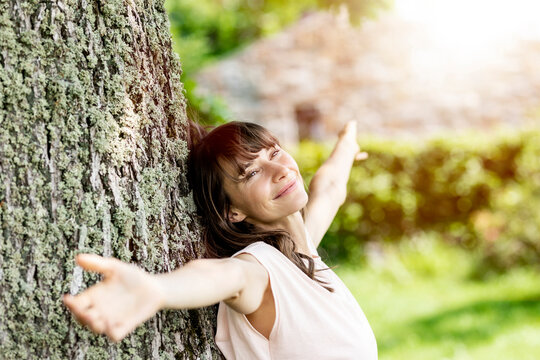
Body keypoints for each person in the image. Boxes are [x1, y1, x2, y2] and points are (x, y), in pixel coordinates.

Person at [63, 120, 377, 359]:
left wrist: (347, 144)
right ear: (232, 211)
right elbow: (223, 276)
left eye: (275, 152)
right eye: (251, 173)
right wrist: (157, 289)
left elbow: (331, 188)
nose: (279, 170)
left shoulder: (300, 253)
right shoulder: (260, 268)